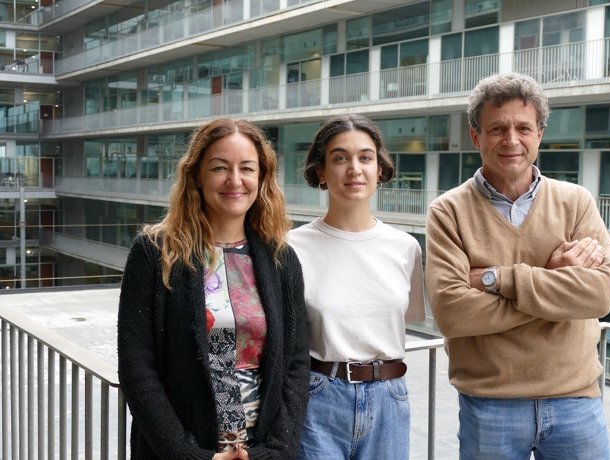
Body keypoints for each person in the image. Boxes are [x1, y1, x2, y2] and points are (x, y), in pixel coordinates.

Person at [425, 73, 610, 459]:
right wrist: (557, 292)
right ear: (476, 136)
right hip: (490, 405)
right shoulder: (448, 211)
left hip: (575, 402)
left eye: (523, 127)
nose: (511, 140)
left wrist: (500, 279)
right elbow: (454, 314)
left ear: (539, 134)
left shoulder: (576, 203)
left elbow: (598, 295)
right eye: (497, 128)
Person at [118, 118, 310, 459]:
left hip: (258, 451)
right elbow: (137, 369)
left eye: (247, 168)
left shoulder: (281, 259)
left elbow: (296, 365)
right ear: (196, 176)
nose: (235, 180)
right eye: (220, 168)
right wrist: (187, 454)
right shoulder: (153, 252)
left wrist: (276, 451)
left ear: (262, 177)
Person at [288, 114, 426, 460]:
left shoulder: (406, 247)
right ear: (321, 171)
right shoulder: (291, 246)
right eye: (340, 158)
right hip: (318, 398)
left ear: (380, 168)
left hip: (390, 400)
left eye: (365, 157)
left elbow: (406, 320)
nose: (354, 168)